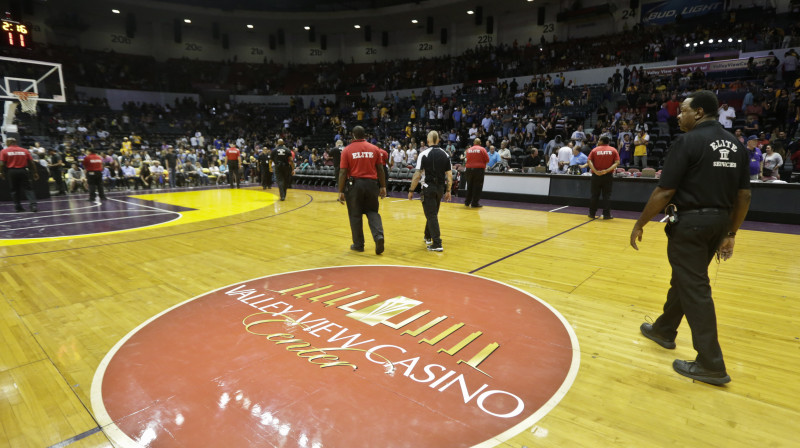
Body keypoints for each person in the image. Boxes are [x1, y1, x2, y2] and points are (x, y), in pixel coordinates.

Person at [630, 90, 751, 386]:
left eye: (682, 110)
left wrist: (640, 223)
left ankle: (711, 363)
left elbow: (664, 191)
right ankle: (664, 329)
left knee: (695, 287)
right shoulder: (736, 145)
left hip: (691, 223)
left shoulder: (688, 141)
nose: (678, 115)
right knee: (686, 278)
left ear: (698, 112)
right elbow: (744, 196)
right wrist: (731, 233)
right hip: (719, 223)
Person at [337, 125, 386, 255]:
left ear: (353, 135)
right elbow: (380, 169)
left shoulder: (347, 150)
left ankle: (358, 245)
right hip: (372, 185)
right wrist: (383, 186)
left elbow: (343, 172)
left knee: (355, 215)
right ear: (365, 135)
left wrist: (341, 191)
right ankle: (378, 236)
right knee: (373, 212)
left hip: (355, 186)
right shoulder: (374, 149)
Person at [409, 131, 453, 252]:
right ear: (438, 140)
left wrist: (411, 190)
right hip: (440, 189)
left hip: (428, 188)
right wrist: (448, 191)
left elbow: (417, 175)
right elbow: (449, 175)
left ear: (428, 141)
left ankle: (437, 243)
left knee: (431, 215)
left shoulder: (423, 154)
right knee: (432, 213)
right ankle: (427, 236)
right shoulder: (445, 154)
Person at [0, 138, 39, 212]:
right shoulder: (24, 150)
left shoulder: (4, 151)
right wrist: (35, 172)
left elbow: (1, 164)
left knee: (14, 190)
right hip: (23, 170)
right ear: (15, 142)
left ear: (8, 142)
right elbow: (31, 162)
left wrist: (1, 172)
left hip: (11, 172)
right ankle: (33, 205)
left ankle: (18, 207)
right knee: (28, 189)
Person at [587, 136, 620, 219]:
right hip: (607, 176)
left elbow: (589, 161)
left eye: (599, 140)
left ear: (601, 141)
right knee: (606, 196)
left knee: (594, 195)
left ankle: (592, 213)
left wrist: (595, 171)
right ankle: (606, 215)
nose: (598, 141)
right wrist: (607, 170)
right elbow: (617, 162)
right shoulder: (613, 150)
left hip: (596, 176)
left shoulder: (594, 150)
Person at [463, 138, 489, 207]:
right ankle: (474, 203)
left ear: (474, 143)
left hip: (468, 169)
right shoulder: (482, 149)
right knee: (477, 187)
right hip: (478, 170)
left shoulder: (469, 150)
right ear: (480, 143)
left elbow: (467, 159)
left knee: (469, 186)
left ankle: (467, 202)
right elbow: (487, 160)